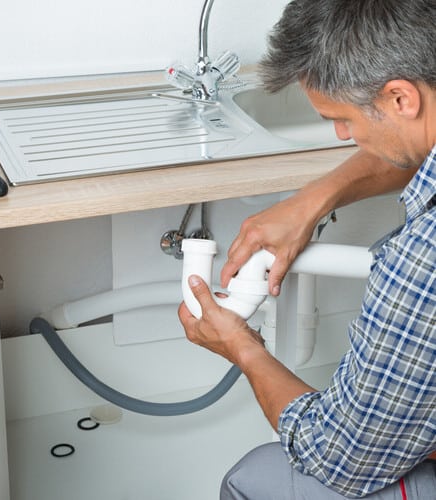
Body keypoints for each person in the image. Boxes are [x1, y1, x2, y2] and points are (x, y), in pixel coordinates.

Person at [178, 0, 435, 498]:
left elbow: (343, 457)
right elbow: (417, 146)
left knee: (257, 480)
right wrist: (311, 200)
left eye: (342, 118)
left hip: (350, 456)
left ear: (401, 98)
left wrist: (242, 346)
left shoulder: (423, 257)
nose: (342, 136)